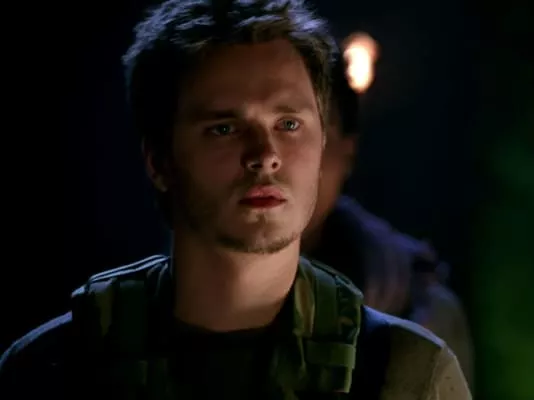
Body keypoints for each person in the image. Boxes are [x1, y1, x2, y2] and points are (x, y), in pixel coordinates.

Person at [0, 1, 471, 399]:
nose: (265, 155)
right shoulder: (52, 368)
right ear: (159, 161)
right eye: (224, 128)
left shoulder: (405, 371)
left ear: (324, 144)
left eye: (289, 124)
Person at [301, 52, 474, 384]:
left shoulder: (419, 306)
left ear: (347, 150)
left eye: (299, 129)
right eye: (227, 129)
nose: (272, 157)